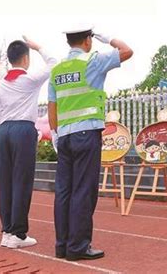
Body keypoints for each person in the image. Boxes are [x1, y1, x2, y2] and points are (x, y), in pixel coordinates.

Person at [48, 26, 133, 261]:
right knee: (83, 191)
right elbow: (127, 51)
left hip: (64, 138)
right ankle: (78, 247)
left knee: (64, 191)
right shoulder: (93, 62)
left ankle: (62, 245)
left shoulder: (56, 71)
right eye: (92, 39)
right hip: (86, 135)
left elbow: (52, 111)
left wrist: (57, 134)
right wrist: (107, 37)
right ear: (87, 40)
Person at [0, 36, 56, 249]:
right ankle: (18, 234)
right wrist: (38, 46)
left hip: (4, 130)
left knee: (6, 182)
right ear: (26, 59)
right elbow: (54, 63)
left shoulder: (2, 84)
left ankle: (7, 231)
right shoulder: (29, 80)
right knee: (22, 181)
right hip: (23, 130)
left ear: (10, 60)